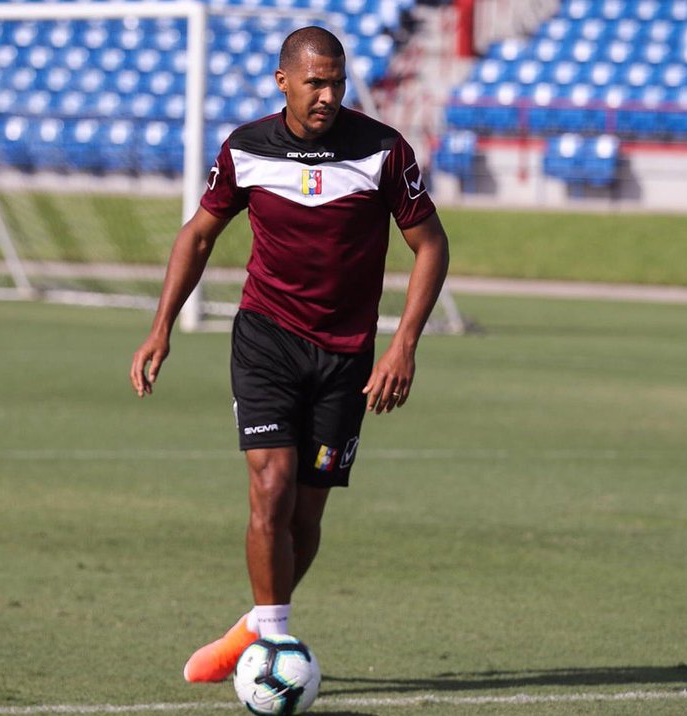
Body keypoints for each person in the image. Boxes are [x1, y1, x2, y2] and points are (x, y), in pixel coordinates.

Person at [129, 25, 450, 683]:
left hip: (346, 357)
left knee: (305, 514)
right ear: (283, 82)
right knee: (270, 487)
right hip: (266, 339)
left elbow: (431, 246)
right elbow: (197, 236)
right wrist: (160, 326)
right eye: (315, 82)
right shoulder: (246, 149)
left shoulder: (383, 152)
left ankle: (257, 621)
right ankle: (273, 644)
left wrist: (404, 345)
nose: (329, 94)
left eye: (336, 81)